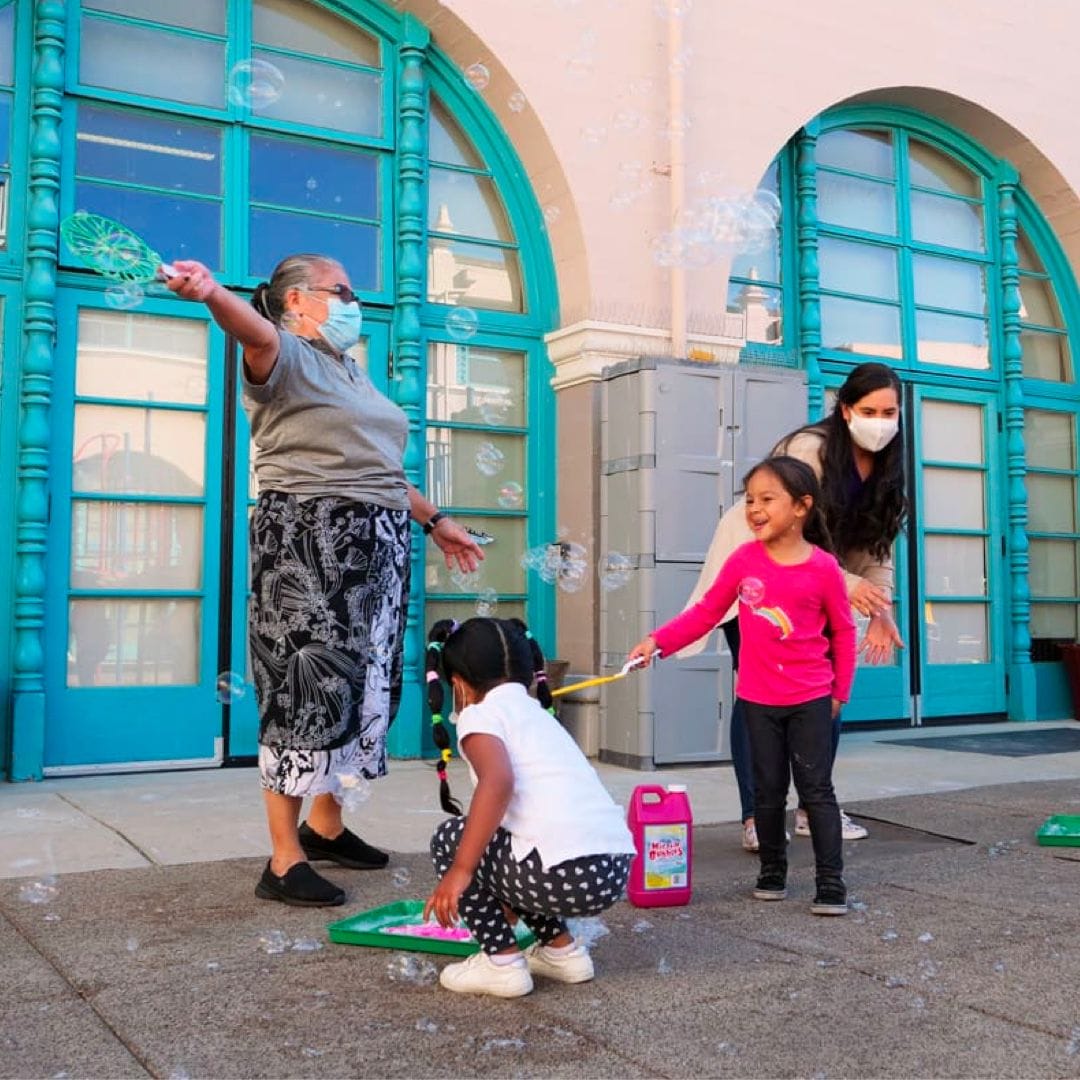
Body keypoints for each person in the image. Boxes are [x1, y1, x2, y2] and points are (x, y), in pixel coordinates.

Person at [164, 254, 483, 907]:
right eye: (341, 289)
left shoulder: (350, 370)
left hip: (377, 543)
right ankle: (283, 861)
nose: (352, 300)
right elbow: (249, 332)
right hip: (308, 543)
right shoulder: (281, 356)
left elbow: (381, 466)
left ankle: (326, 826)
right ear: (298, 301)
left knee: (363, 689)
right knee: (303, 686)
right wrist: (209, 292)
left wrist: (437, 521)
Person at [683, 361, 907, 851]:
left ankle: (813, 806)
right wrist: (847, 585)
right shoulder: (810, 449)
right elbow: (791, 530)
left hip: (821, 581)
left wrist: (880, 609)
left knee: (824, 689)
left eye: (890, 411)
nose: (881, 420)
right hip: (761, 573)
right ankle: (755, 818)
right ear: (846, 410)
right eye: (869, 410)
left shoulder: (890, 464)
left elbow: (877, 546)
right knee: (758, 694)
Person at [630, 456, 857, 915]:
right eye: (750, 499)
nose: (754, 509)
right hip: (757, 700)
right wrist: (658, 642)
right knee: (768, 791)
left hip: (811, 697)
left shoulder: (824, 568)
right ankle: (773, 872)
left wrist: (839, 693)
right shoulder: (744, 560)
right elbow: (706, 613)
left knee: (817, 791)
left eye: (767, 499)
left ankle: (830, 883)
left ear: (801, 507)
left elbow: (844, 631)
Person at [422, 617, 637, 998]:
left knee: (453, 838)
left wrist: (462, 870)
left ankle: (501, 964)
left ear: (457, 685)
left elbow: (498, 782)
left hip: (563, 875)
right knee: (515, 840)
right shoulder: (539, 715)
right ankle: (563, 953)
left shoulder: (479, 715)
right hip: (611, 871)